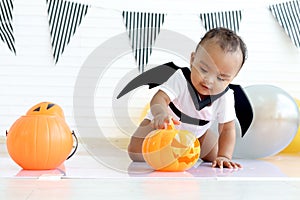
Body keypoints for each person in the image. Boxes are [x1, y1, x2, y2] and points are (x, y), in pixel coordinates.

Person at [127, 27, 247, 168]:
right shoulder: (180, 78)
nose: (209, 80)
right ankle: (166, 148)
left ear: (232, 78)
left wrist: (224, 156)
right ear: (192, 59)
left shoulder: (225, 96)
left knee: (215, 156)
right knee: (135, 152)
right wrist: (160, 114)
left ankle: (188, 149)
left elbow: (227, 129)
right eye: (203, 70)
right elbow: (159, 98)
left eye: (221, 78)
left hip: (197, 134)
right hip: (162, 126)